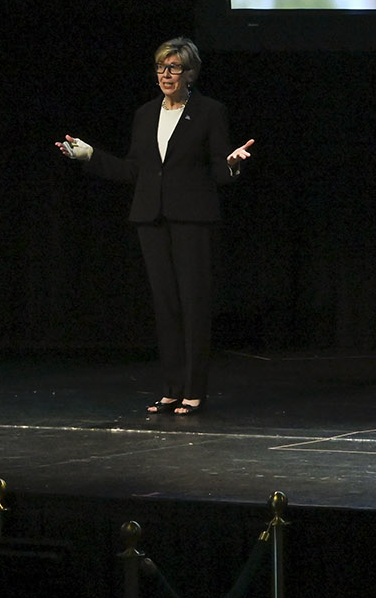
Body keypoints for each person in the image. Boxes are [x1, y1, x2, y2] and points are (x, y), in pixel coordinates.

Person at [59, 37, 254, 414]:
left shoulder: (210, 111)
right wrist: (91, 156)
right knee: (166, 307)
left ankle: (194, 390)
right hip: (151, 218)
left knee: (193, 304)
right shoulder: (146, 114)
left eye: (174, 68)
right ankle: (171, 387)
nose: (166, 74)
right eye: (161, 68)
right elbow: (135, 170)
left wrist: (233, 163)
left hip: (192, 219)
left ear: (190, 73)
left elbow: (218, 168)